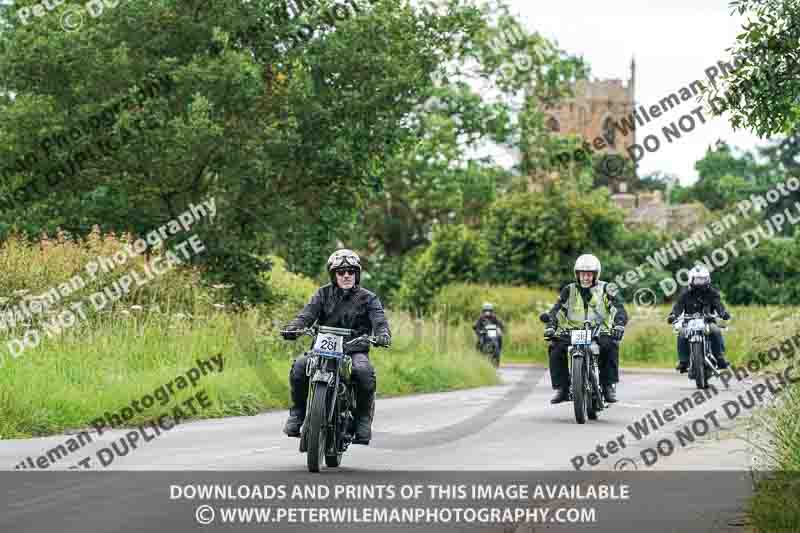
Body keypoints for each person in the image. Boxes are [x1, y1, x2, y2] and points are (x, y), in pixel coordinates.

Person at [280, 249, 391, 445]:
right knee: (299, 366)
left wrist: (382, 334)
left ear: (357, 274)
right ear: (334, 275)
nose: (346, 275)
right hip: (322, 349)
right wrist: (293, 329)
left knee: (364, 371)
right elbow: (306, 316)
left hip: (354, 350)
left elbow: (379, 320)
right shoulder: (322, 294)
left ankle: (362, 420)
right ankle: (298, 413)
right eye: (341, 272)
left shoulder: (369, 298)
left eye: (351, 271)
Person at [541, 254, 628, 404]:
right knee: (555, 346)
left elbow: (619, 308)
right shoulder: (569, 290)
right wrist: (550, 326)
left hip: (599, 331)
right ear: (577, 274)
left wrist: (619, 324)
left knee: (611, 345)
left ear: (596, 275)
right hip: (574, 331)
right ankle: (562, 388)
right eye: (583, 274)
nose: (586, 278)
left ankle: (608, 386)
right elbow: (556, 311)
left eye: (589, 274)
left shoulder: (607, 288)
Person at [667, 265, 731, 373]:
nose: (700, 282)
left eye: (703, 279)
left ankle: (720, 358)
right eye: (697, 279)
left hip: (707, 321)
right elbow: (678, 306)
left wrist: (723, 313)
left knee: (715, 330)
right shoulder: (685, 293)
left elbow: (718, 304)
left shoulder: (712, 292)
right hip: (689, 322)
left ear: (708, 279)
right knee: (682, 333)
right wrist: (673, 315)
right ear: (691, 279)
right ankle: (683, 361)